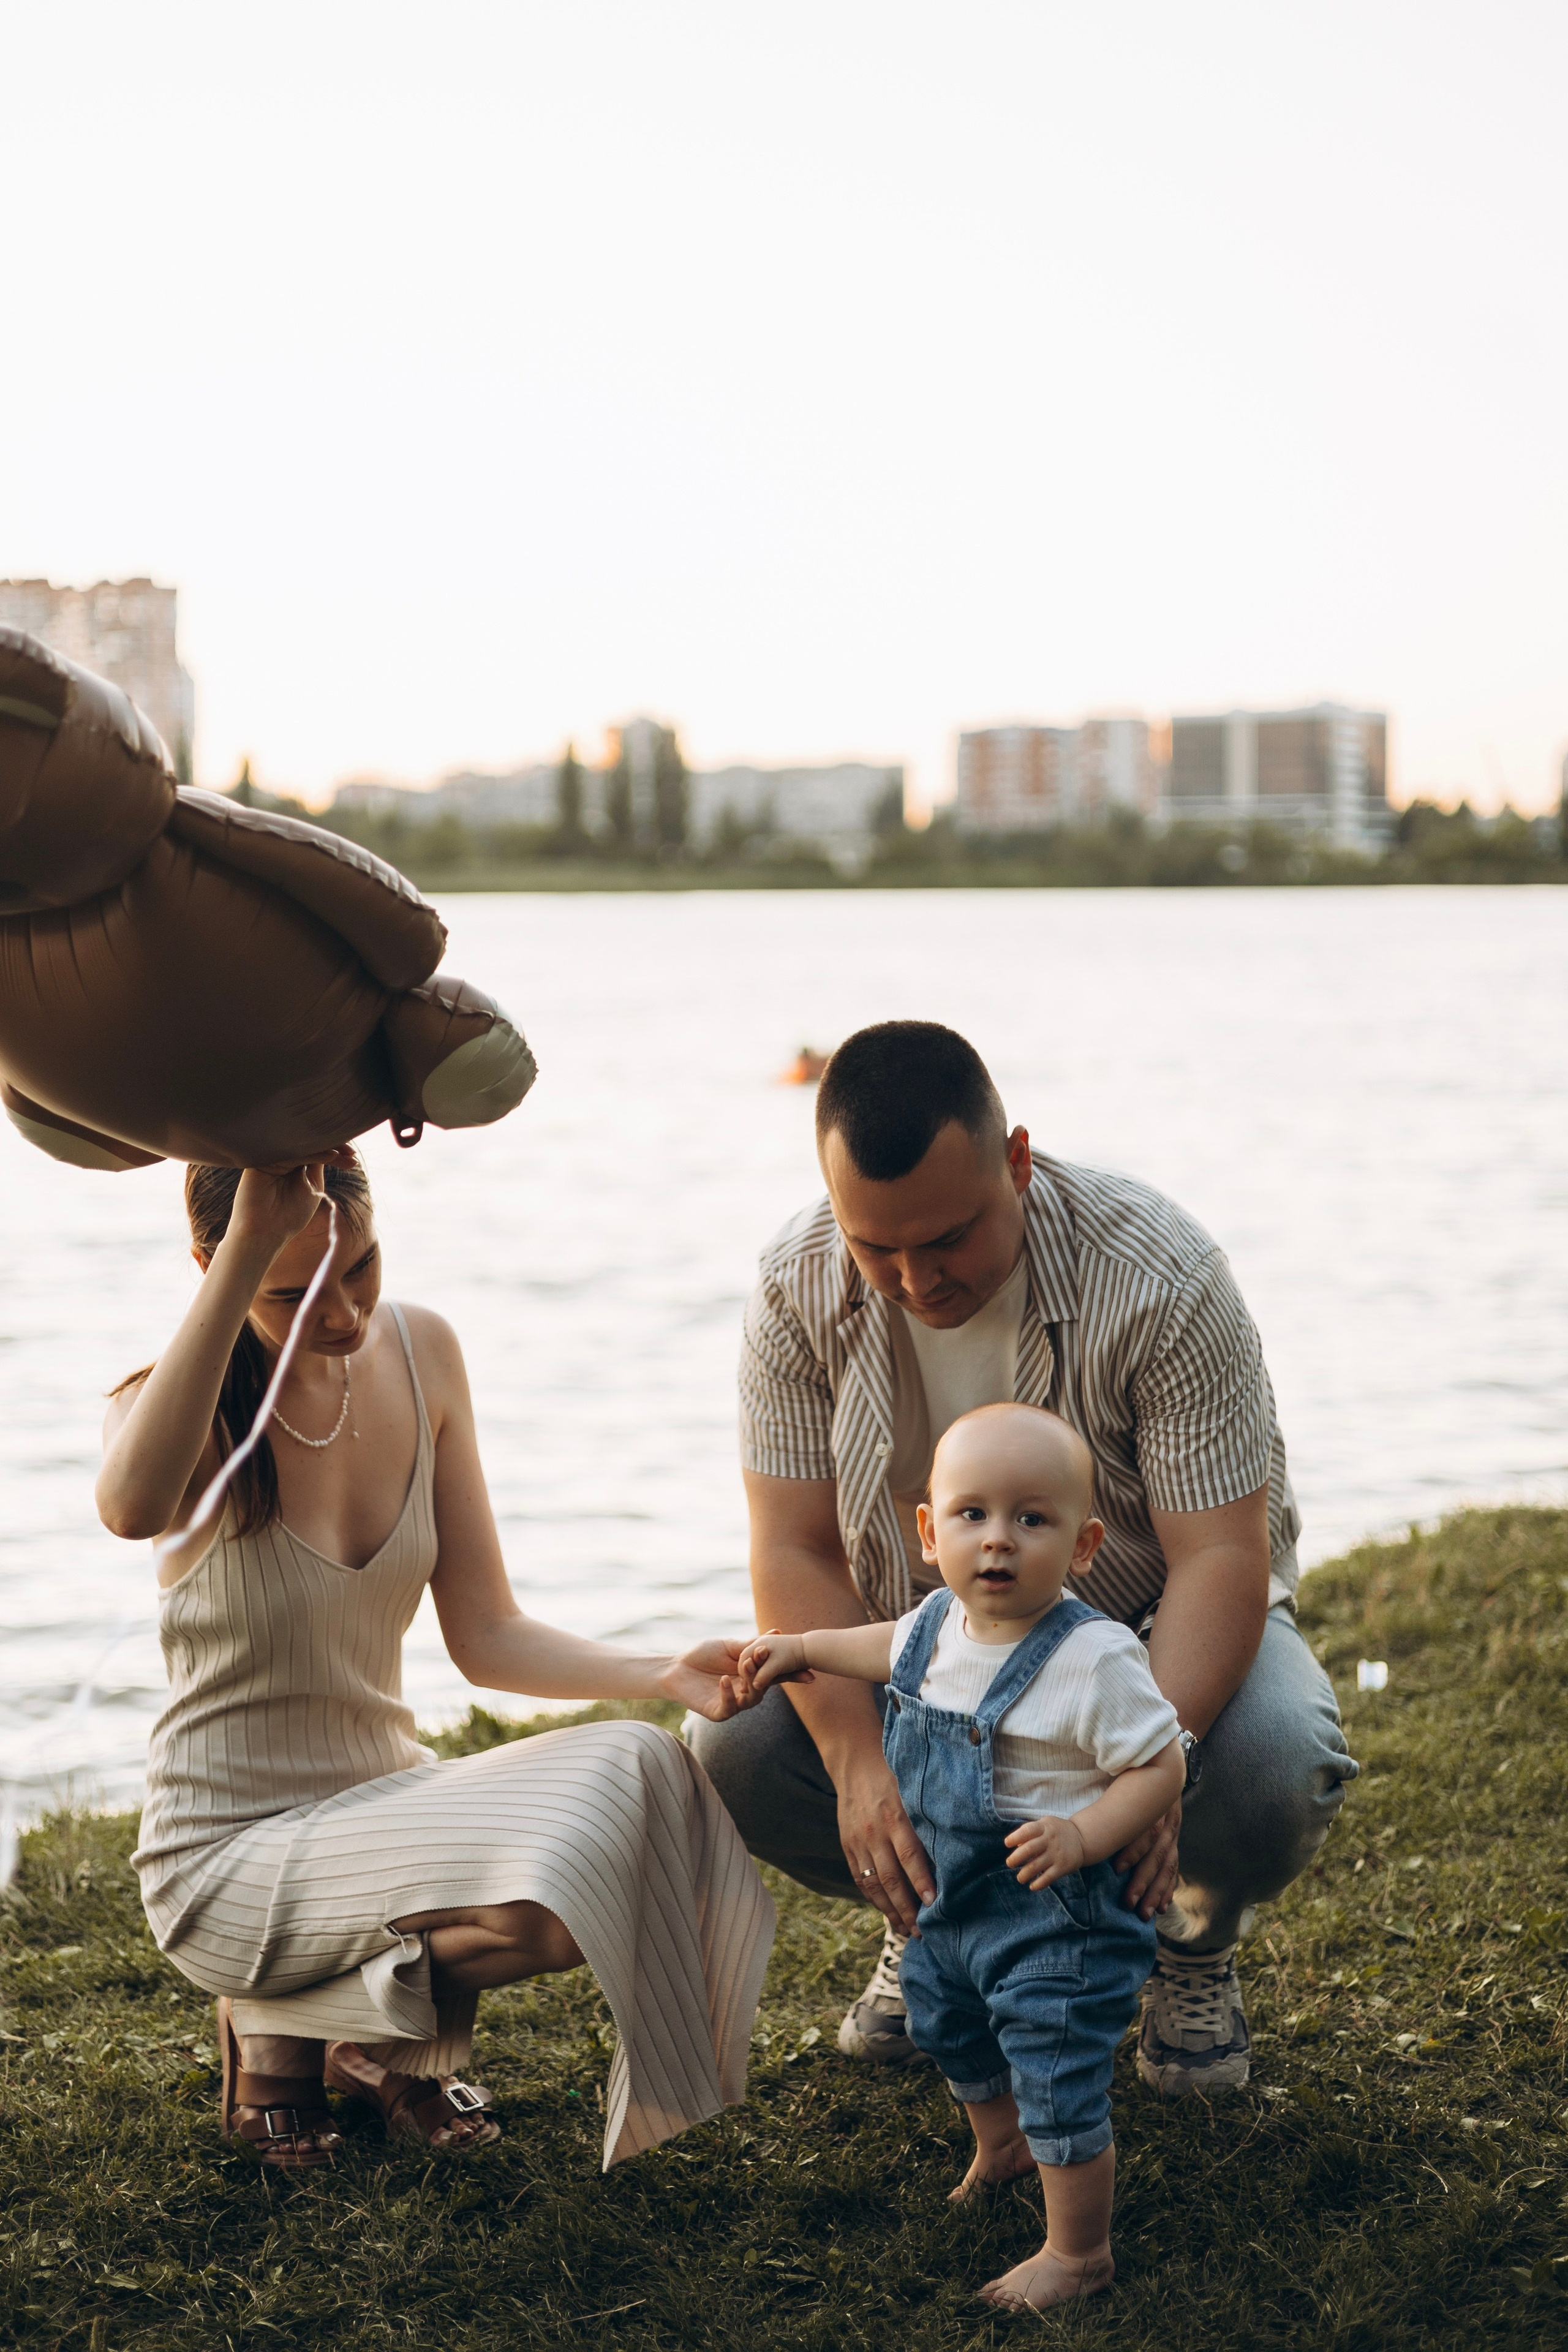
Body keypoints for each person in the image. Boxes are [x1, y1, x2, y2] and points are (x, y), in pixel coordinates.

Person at [690, 1020, 1357, 2097]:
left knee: (1276, 1760)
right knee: (738, 1747)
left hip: (1144, 1632)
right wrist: (864, 1771)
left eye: (948, 1238)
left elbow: (1221, 1558)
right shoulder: (794, 1286)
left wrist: (1154, 1764)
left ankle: (1187, 1940)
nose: (917, 1279)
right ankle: (944, 1927)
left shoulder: (1162, 1275)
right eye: (878, 1247)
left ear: (1017, 1162)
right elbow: (794, 1548)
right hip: (928, 1657)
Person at [100, 1153, 773, 2174]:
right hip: (227, 1857)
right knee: (582, 1854)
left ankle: (351, 2040)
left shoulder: (421, 1350)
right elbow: (129, 1508)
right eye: (294, 1292)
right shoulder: (182, 1408)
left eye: (359, 1268)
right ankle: (282, 2024)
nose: (341, 1315)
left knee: (636, 1788)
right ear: (215, 1266)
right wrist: (246, 1255)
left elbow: (488, 1635)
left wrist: (663, 1671)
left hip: (383, 1806)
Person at [737, 1402, 1183, 2314]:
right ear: (929, 1531)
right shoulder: (937, 1626)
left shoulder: (1093, 1658)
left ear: (1086, 1543)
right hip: (952, 1905)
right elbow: (878, 1648)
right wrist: (801, 1648)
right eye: (973, 1515)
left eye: (1033, 1519)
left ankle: (1078, 2252)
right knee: (948, 2023)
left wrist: (1088, 1833)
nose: (999, 1542)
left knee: (1055, 2064)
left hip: (1059, 1915)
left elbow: (1162, 1762)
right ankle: (1002, 2144)